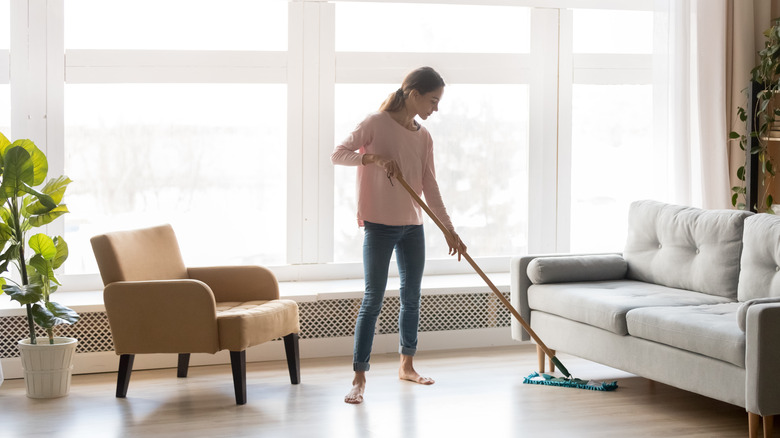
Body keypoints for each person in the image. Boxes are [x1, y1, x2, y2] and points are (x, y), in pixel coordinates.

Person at [330, 66, 465, 405]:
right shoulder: (375, 123)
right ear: (414, 94)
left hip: (412, 227)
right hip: (379, 224)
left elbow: (429, 186)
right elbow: (338, 154)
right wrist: (371, 158)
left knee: (412, 297)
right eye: (433, 100)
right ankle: (359, 377)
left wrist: (449, 230)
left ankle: (407, 365)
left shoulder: (424, 137)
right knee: (373, 298)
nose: (435, 108)